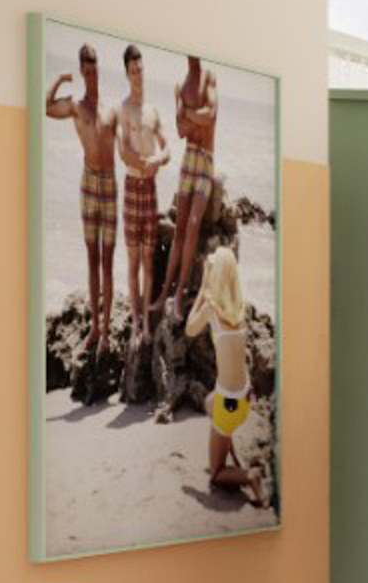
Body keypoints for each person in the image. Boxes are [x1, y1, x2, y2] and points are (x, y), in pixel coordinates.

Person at [45, 44, 119, 357]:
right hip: (88, 183)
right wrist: (60, 80)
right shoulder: (76, 106)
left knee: (108, 259)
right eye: (86, 71)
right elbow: (46, 107)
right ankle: (95, 328)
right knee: (92, 258)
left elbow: (127, 145)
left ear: (99, 69)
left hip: (110, 184)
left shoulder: (111, 109)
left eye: (94, 69)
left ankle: (107, 329)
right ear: (81, 72)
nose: (91, 75)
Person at [184, 242, 263, 506]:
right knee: (209, 403)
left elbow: (189, 329)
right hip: (243, 396)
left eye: (213, 260)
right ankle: (232, 453)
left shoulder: (211, 309)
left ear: (216, 273)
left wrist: (203, 286)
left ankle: (250, 477)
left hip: (230, 404)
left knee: (215, 474)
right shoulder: (239, 308)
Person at [111, 45, 170, 335]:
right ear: (127, 74)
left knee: (148, 259)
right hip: (133, 187)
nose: (138, 75)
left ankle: (146, 321)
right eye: (133, 71)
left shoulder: (152, 111)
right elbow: (122, 151)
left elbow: (167, 148)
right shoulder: (123, 109)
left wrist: (158, 159)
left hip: (150, 190)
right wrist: (145, 163)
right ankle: (135, 321)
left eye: (141, 69)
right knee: (133, 260)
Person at [164, 53, 219, 315]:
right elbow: (180, 130)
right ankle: (165, 291)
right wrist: (192, 116)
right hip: (188, 158)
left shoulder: (209, 77)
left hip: (205, 159)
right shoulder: (180, 86)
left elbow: (210, 116)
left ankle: (179, 294)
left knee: (193, 224)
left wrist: (186, 112)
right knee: (180, 229)